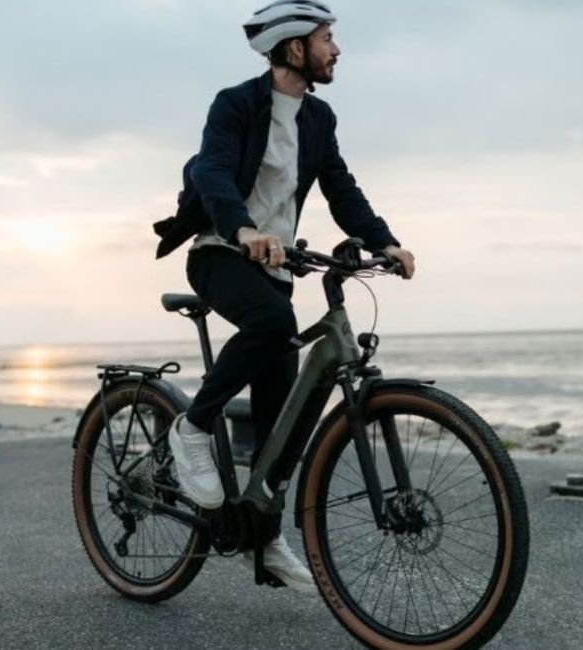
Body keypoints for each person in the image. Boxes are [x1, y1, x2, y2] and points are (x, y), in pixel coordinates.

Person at [155, 0, 417, 593]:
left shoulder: (318, 120)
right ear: (294, 48)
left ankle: (264, 529)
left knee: (284, 414)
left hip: (273, 265)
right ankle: (194, 426)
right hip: (220, 252)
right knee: (273, 320)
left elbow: (342, 189)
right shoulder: (235, 105)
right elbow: (212, 174)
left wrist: (386, 242)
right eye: (328, 38)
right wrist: (243, 229)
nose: (337, 49)